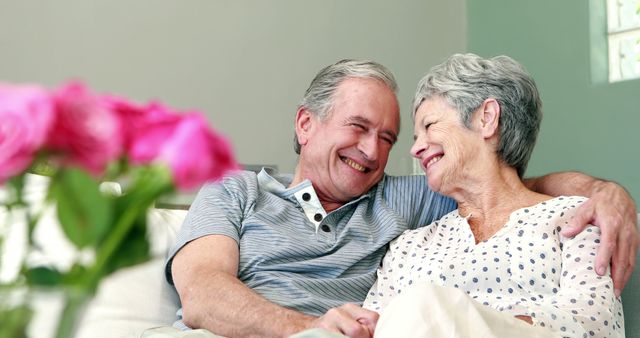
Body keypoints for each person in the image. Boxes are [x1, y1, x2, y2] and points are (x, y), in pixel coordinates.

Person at [156, 59, 637, 338]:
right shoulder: (235, 190)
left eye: (388, 136)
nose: (376, 150)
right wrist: (316, 329)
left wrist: (603, 193)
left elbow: (501, 185)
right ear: (306, 124)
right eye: (359, 128)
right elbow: (202, 296)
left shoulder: (404, 201)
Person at [363, 54, 624, 337]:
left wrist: (471, 321)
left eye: (429, 126)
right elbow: (368, 328)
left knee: (422, 303)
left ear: (486, 119)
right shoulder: (407, 247)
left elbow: (597, 323)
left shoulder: (575, 218)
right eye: (415, 138)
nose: (416, 149)